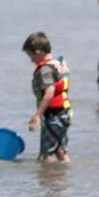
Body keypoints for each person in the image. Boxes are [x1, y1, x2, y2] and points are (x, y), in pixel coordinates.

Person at [24, 32, 71, 163]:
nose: (31, 60)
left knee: (47, 154)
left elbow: (50, 91)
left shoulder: (45, 69)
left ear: (38, 52)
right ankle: (65, 180)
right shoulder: (56, 64)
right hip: (64, 114)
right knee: (60, 150)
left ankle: (48, 181)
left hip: (53, 116)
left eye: (30, 56)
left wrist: (38, 115)